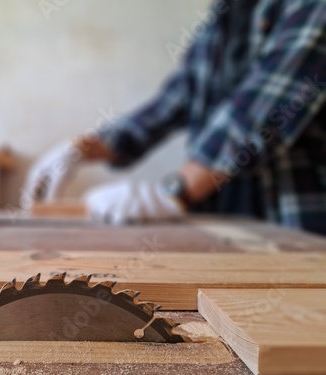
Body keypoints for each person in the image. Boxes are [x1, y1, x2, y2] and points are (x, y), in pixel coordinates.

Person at [24, 0, 326, 235]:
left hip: (297, 221)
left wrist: (173, 191)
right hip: (224, 220)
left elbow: (262, 107)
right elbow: (174, 100)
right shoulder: (224, 18)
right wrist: (82, 148)